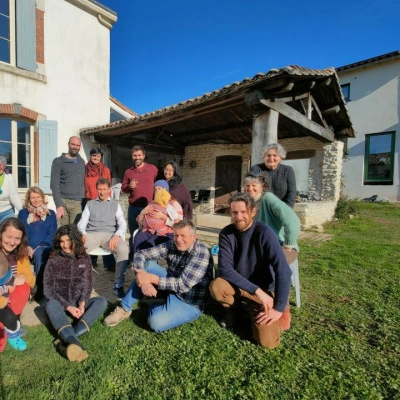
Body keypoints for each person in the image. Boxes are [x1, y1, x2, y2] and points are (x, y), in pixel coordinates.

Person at [209, 193, 292, 349]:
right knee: (217, 286)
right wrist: (256, 291)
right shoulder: (226, 234)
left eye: (243, 212)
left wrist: (278, 308)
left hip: (266, 291)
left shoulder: (264, 232)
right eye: (234, 212)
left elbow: (283, 269)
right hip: (245, 287)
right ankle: (235, 310)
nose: (239, 216)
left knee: (268, 343)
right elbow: (225, 270)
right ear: (230, 213)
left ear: (252, 212)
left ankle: (275, 311)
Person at [103, 220, 214, 332]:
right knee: (148, 265)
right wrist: (143, 279)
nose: (179, 239)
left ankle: (155, 299)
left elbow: (183, 285)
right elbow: (140, 254)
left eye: (183, 236)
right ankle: (124, 309)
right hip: (171, 284)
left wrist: (151, 279)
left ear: (194, 237)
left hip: (189, 300)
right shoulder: (172, 244)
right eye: (176, 235)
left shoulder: (201, 253)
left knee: (156, 323)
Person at [43, 224, 107, 362]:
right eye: (62, 241)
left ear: (75, 240)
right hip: (61, 303)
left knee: (101, 301)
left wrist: (83, 302)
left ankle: (67, 339)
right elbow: (48, 289)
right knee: (50, 305)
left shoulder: (84, 257)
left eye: (68, 241)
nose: (65, 245)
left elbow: (88, 283)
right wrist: (68, 307)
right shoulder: (54, 258)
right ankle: (76, 343)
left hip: (78, 302)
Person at [77, 178, 129, 300]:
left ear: (109, 190)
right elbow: (82, 222)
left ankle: (118, 284)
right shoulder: (90, 204)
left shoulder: (115, 204)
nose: (102, 192)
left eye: (104, 189)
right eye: (99, 189)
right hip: (91, 234)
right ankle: (80, 282)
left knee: (123, 249)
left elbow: (122, 223)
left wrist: (117, 235)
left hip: (109, 235)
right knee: (77, 250)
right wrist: (83, 233)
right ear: (96, 190)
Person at [243, 173, 300, 264]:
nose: (250, 188)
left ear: (261, 186)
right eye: (247, 185)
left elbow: (292, 220)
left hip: (277, 244)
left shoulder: (268, 198)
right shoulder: (248, 202)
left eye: (254, 185)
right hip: (260, 246)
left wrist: (288, 244)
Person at [0, 218, 36, 352]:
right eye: (8, 236)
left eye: (17, 238)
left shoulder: (21, 253)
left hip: (11, 298)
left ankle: (12, 325)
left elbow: (31, 280)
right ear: (1, 234)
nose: (12, 242)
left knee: (24, 287)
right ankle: (10, 325)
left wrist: (23, 275)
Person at [84, 147, 114, 270]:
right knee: (91, 230)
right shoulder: (85, 169)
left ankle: (109, 263)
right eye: (93, 156)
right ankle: (91, 260)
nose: (96, 158)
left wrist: (109, 201)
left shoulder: (105, 170)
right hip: (89, 202)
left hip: (103, 202)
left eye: (98, 156)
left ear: (101, 157)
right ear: (90, 156)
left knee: (105, 229)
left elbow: (109, 186)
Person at [133, 180, 183, 253]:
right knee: (139, 237)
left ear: (165, 190)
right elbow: (139, 222)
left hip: (167, 233)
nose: (157, 191)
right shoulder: (151, 203)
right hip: (149, 231)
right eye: (155, 189)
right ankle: (138, 260)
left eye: (159, 189)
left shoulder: (174, 204)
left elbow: (180, 225)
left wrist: (164, 218)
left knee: (164, 241)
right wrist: (142, 213)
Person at [121, 145, 158, 243]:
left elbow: (160, 184)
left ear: (144, 156)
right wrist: (129, 186)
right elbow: (123, 189)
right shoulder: (128, 172)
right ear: (132, 156)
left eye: (139, 155)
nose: (137, 158)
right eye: (135, 155)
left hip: (149, 207)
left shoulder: (153, 169)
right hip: (133, 208)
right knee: (134, 234)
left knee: (150, 233)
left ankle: (149, 257)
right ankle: (133, 256)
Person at [18, 187, 57, 276]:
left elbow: (52, 233)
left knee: (40, 253)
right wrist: (27, 246)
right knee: (20, 253)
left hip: (44, 246)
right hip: (26, 246)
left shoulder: (50, 214)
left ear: (42, 198)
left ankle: (40, 284)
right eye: (33, 197)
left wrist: (38, 247)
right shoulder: (23, 213)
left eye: (38, 197)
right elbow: (20, 232)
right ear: (29, 199)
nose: (36, 200)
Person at [50, 136, 85, 225]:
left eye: (77, 145)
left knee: (76, 231)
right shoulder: (58, 162)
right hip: (63, 201)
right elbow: (54, 185)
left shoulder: (82, 162)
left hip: (77, 202)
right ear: (68, 144)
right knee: (63, 231)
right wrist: (59, 205)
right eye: (73, 144)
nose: (75, 147)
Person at [250, 143, 297, 208]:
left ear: (280, 157)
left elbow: (291, 192)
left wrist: (286, 210)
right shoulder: (256, 169)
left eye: (275, 155)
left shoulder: (288, 170)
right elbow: (253, 190)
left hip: (282, 208)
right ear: (264, 157)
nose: (271, 158)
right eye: (268, 155)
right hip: (261, 208)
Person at [0, 156, 23, 223]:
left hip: (6, 211)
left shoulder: (9, 177)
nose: (0, 167)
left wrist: (23, 211)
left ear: (4, 166)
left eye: (2, 165)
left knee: (8, 232)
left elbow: (14, 196)